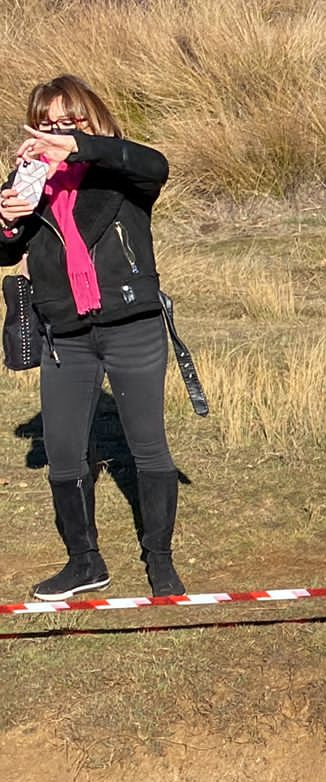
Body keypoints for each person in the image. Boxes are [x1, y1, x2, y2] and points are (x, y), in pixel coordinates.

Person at [0, 76, 185, 599]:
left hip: (132, 323)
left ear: (91, 119)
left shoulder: (121, 170)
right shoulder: (30, 180)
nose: (58, 131)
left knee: (148, 447)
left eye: (70, 120)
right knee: (62, 453)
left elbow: (156, 165)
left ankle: (161, 560)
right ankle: (84, 563)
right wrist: (7, 221)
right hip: (65, 333)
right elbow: (5, 251)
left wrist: (81, 147)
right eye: (47, 123)